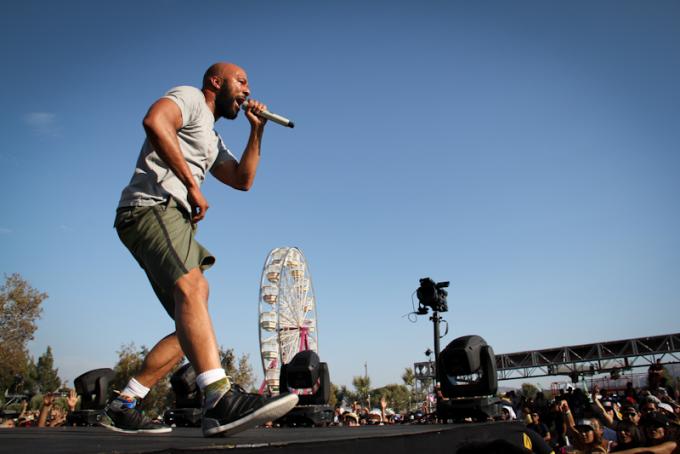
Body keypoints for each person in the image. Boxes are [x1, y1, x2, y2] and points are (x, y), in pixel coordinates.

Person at [107, 62, 298, 437]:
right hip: (153, 205)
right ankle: (219, 398)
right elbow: (155, 121)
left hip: (167, 215)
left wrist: (256, 133)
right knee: (195, 290)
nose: (246, 91)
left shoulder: (212, 137)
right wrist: (192, 186)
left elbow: (242, 181)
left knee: (188, 330)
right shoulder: (191, 98)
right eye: (240, 82)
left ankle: (125, 402)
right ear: (216, 82)